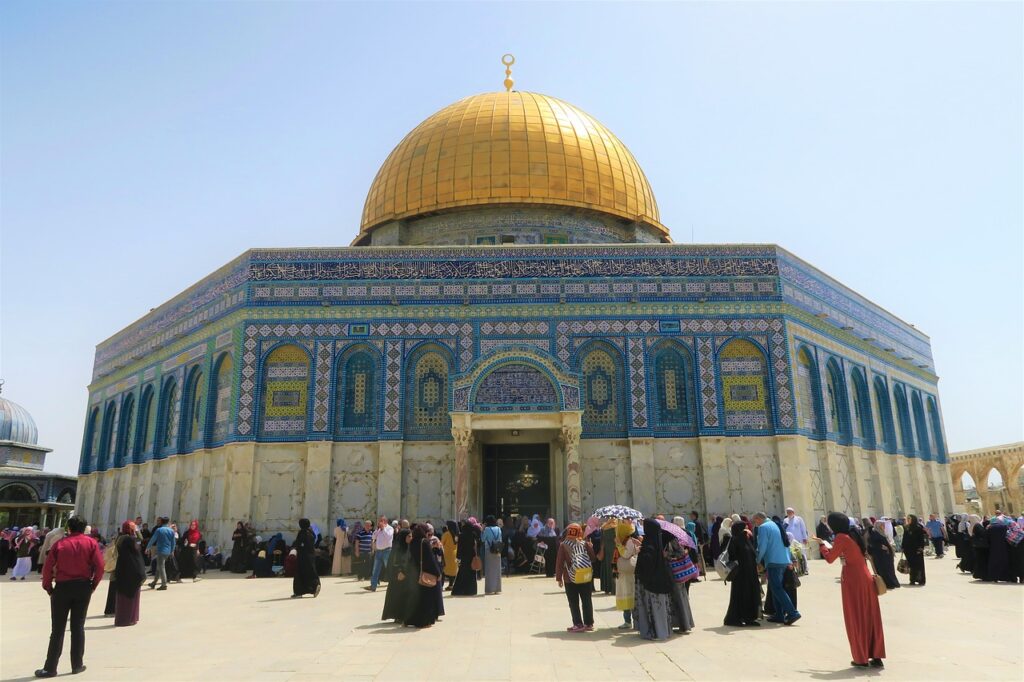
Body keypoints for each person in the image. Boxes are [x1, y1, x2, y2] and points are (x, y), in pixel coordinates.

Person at [36, 515, 103, 678]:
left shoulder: (60, 544)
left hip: (62, 587)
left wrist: (48, 586)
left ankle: (50, 668)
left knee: (57, 629)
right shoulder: (91, 543)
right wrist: (93, 585)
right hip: (83, 587)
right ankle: (77, 665)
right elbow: (100, 566)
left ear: (69, 528)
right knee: (78, 627)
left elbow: (47, 567)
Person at [815, 513, 886, 668]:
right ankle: (876, 655)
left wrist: (822, 545)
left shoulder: (841, 537)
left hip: (853, 579)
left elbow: (830, 558)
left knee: (856, 617)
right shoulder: (854, 534)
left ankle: (861, 657)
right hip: (865, 577)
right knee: (870, 616)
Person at [754, 511, 800, 625]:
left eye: (755, 521)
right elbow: (785, 543)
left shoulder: (763, 527)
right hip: (783, 560)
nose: (755, 524)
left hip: (774, 561)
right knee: (775, 588)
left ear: (759, 519)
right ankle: (779, 615)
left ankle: (793, 613)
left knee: (777, 588)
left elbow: (762, 545)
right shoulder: (775, 525)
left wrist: (757, 560)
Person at [633, 519, 674, 640]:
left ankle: (655, 632)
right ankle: (664, 631)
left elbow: (646, 563)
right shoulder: (657, 540)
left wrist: (640, 554)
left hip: (650, 583)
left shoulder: (649, 544)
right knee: (660, 609)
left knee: (652, 608)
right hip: (660, 580)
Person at [555, 523, 596, 633]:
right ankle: (589, 623)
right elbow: (593, 558)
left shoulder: (563, 545)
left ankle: (578, 624)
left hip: (570, 577)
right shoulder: (584, 543)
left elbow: (559, 563)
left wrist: (559, 578)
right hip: (585, 576)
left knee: (573, 602)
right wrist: (591, 547)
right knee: (587, 600)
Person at [722, 520, 760, 626]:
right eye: (744, 528)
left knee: (751, 594)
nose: (746, 529)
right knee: (741, 596)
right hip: (740, 575)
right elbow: (732, 556)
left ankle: (750, 618)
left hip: (751, 573)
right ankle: (735, 619)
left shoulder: (747, 539)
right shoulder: (734, 540)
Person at [405, 524, 443, 628]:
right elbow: (430, 559)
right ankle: (424, 621)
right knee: (426, 598)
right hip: (425, 573)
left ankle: (409, 619)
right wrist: (437, 572)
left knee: (416, 598)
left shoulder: (413, 542)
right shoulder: (424, 542)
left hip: (415, 573)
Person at [112, 521, 146, 627]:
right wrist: (137, 530)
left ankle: (124, 618)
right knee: (130, 596)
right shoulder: (129, 540)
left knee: (122, 596)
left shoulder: (120, 538)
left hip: (122, 569)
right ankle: (129, 618)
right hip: (131, 570)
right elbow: (140, 541)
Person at [381, 529, 416, 624]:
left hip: (407, 576)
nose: (411, 538)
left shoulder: (410, 547)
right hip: (398, 577)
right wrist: (400, 572)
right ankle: (398, 616)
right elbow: (394, 562)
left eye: (411, 536)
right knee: (397, 596)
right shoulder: (397, 548)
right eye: (409, 536)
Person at [614, 520, 639, 629]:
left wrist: (619, 545)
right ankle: (628, 620)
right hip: (624, 573)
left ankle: (630, 621)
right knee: (626, 595)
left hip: (627, 573)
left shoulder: (628, 541)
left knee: (629, 596)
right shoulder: (626, 540)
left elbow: (625, 554)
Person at [290, 518, 321, 598]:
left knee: (300, 573)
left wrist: (296, 547)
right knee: (311, 572)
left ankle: (299, 592)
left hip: (303, 556)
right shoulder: (311, 532)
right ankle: (315, 586)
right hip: (311, 555)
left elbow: (299, 543)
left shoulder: (302, 532)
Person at [867, 521, 900, 590]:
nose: (884, 527)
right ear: (878, 526)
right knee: (883, 570)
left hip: (885, 556)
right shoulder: (874, 533)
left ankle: (892, 582)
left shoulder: (881, 532)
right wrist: (881, 546)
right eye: (882, 525)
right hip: (880, 556)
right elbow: (871, 543)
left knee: (889, 569)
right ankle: (886, 584)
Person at [451, 519, 480, 596]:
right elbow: (477, 544)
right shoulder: (473, 534)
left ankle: (460, 591)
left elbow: (459, 547)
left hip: (464, 557)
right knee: (471, 574)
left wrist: (458, 557)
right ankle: (471, 591)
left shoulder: (461, 535)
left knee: (462, 574)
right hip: (472, 556)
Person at [145, 518, 175, 590]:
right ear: (168, 522)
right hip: (167, 551)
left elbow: (153, 539)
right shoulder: (171, 531)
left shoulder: (159, 530)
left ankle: (164, 584)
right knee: (159, 567)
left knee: (161, 567)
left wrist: (148, 547)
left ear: (161, 522)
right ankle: (154, 583)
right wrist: (172, 551)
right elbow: (173, 542)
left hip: (161, 550)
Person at [366, 516, 394, 592]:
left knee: (389, 569)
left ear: (385, 521)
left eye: (381, 521)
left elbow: (388, 537)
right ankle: (373, 586)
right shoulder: (378, 529)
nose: (379, 522)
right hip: (378, 552)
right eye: (379, 521)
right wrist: (379, 529)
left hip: (387, 551)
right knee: (375, 570)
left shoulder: (390, 528)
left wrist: (383, 528)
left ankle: (393, 586)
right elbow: (373, 537)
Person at [901, 515, 927, 586]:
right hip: (908, 550)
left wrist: (921, 548)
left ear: (913, 519)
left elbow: (921, 539)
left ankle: (920, 580)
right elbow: (904, 538)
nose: (908, 520)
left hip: (917, 550)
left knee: (919, 566)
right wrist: (903, 547)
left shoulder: (918, 528)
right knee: (911, 566)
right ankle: (912, 580)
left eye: (909, 518)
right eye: (907, 519)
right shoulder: (906, 527)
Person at [481, 515, 503, 595]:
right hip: (497, 550)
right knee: (497, 570)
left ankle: (490, 589)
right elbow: (500, 539)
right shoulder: (498, 529)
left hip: (489, 550)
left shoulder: (487, 529)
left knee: (489, 570)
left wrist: (482, 530)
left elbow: (483, 539)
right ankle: (497, 588)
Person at [441, 521, 459, 589]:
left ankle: (441, 585)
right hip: (454, 554)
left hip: (447, 554)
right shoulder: (457, 534)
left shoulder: (446, 534)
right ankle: (451, 585)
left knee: (443, 569)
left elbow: (441, 543)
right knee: (452, 571)